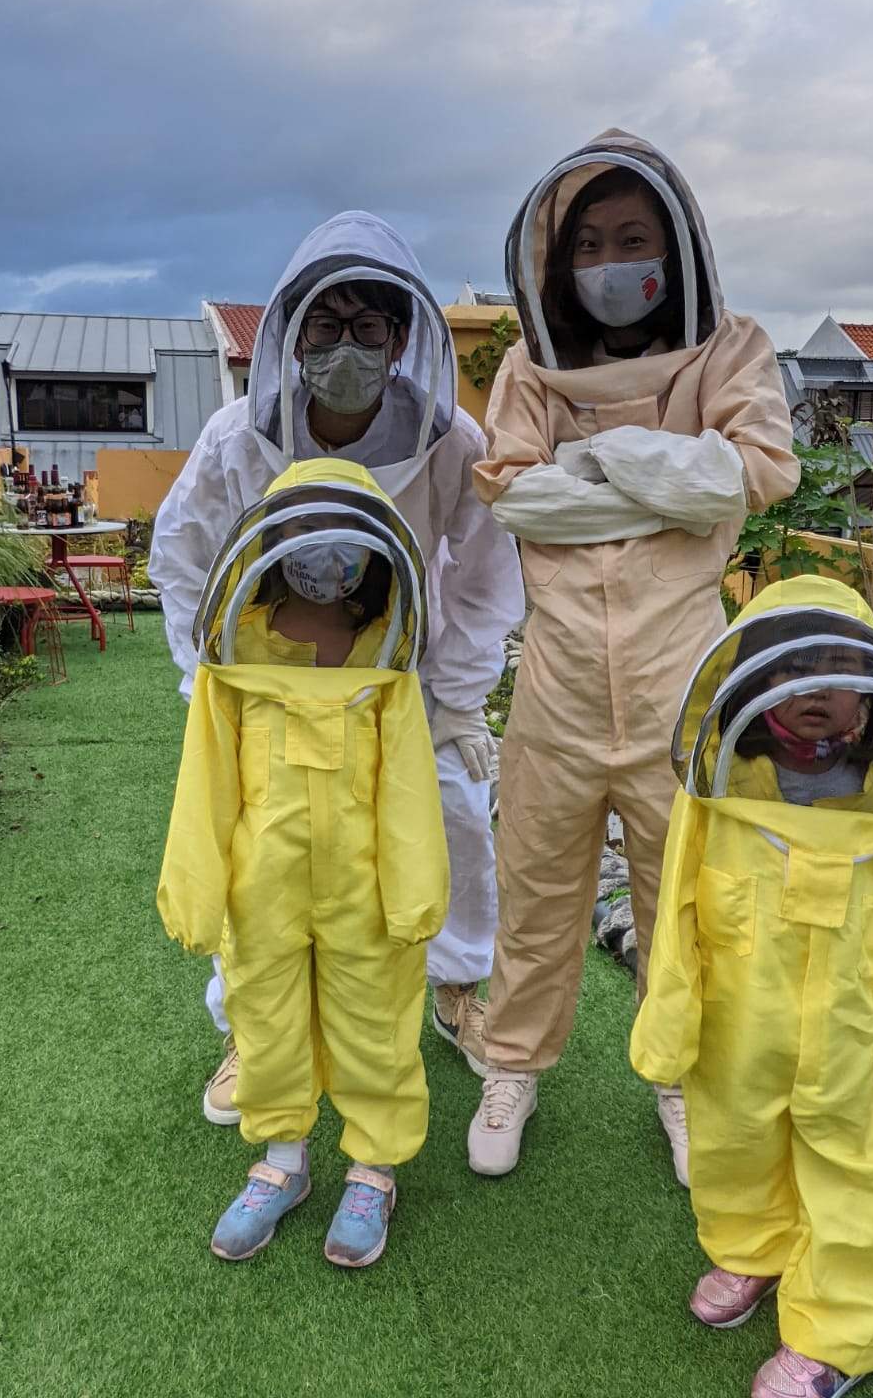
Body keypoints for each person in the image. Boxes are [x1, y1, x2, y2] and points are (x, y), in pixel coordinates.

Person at [468, 129, 800, 1181]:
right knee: (535, 893)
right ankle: (510, 1066)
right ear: (558, 265)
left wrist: (602, 453)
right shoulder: (529, 367)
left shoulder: (730, 350)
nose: (613, 262)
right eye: (592, 244)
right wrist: (671, 482)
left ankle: (681, 1081)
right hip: (557, 695)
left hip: (678, 693)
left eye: (634, 238)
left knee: (684, 904)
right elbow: (514, 493)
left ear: (678, 247)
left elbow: (758, 473)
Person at [150, 213, 524, 1120]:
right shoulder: (240, 436)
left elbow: (486, 572)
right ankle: (249, 1026)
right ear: (295, 331)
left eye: (369, 326)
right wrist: (214, 683)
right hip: (272, 680)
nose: (347, 345)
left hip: (400, 684)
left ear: (400, 339)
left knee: (457, 820)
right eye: (328, 324)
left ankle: (456, 989)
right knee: (252, 849)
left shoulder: (449, 442)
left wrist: (456, 698)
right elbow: (183, 555)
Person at [632, 576, 873, 1397]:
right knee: (735, 1149)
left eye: (840, 667)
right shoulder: (721, 793)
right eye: (795, 667)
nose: (817, 686)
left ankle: (838, 1338)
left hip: (853, 1047)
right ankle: (754, 1251)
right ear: (754, 680)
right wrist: (670, 1025)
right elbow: (677, 917)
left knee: (856, 1180)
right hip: (739, 1036)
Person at [158, 459, 449, 1265]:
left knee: (375, 1028)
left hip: (365, 893)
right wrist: (196, 887)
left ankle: (373, 1170)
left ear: (374, 549)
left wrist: (416, 892)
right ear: (271, 539)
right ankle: (282, 1162)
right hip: (263, 891)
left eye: (343, 536)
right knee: (267, 1022)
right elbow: (207, 784)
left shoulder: (383, 658)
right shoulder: (238, 652)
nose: (323, 552)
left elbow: (409, 792)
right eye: (302, 529)